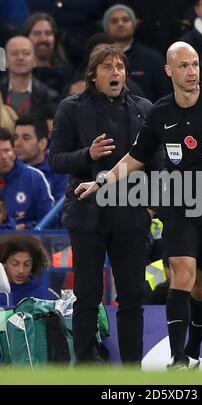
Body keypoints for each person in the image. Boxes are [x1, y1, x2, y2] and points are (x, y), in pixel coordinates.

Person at [75, 41, 202, 369]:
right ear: (169, 71)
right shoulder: (160, 112)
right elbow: (135, 158)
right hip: (179, 200)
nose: (192, 72)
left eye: (196, 64)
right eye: (184, 66)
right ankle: (178, 358)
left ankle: (195, 350)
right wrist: (100, 180)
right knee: (181, 272)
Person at [49, 46, 162, 365]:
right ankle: (85, 367)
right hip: (87, 214)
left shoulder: (144, 108)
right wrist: (88, 154)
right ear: (93, 74)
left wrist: (151, 206)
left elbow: (159, 163)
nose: (115, 72)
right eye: (107, 67)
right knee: (87, 297)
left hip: (131, 214)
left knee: (131, 299)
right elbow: (55, 160)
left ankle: (131, 371)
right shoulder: (70, 108)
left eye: (120, 67)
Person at [0, 127, 54, 229]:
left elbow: (49, 219)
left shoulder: (34, 178)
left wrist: (27, 227)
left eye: (6, 150)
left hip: (27, 242)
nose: (3, 157)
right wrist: (11, 228)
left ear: (14, 151)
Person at [0, 233, 50, 305]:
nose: (21, 270)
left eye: (27, 264)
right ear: (3, 263)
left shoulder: (43, 293)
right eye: (15, 264)